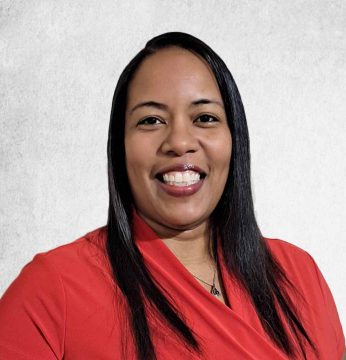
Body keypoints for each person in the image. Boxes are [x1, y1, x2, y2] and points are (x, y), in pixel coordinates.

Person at [0, 32, 344, 360]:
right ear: (120, 147)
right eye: (151, 120)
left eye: (205, 117)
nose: (179, 142)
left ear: (234, 138)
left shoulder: (299, 274)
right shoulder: (54, 288)